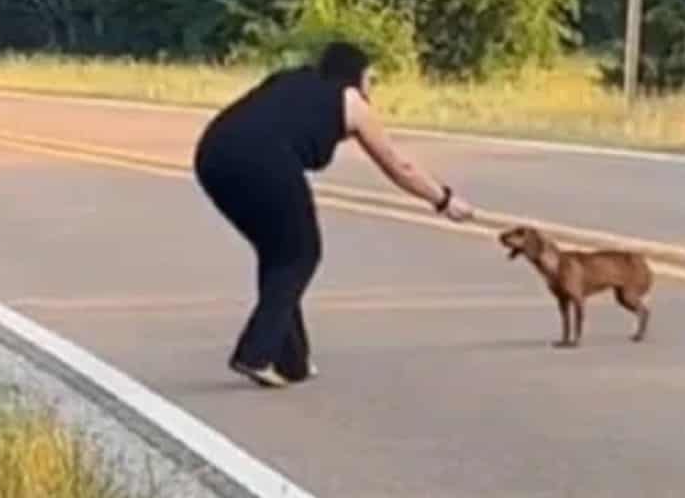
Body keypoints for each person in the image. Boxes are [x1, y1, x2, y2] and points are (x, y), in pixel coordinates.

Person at [193, 40, 475, 388]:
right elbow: (398, 166)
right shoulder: (353, 102)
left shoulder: (291, 78)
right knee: (302, 254)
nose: (373, 86)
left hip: (212, 155)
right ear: (356, 75)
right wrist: (444, 200)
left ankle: (291, 360)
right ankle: (254, 353)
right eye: (371, 78)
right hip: (264, 159)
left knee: (280, 253)